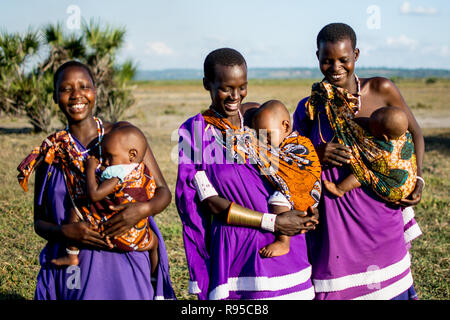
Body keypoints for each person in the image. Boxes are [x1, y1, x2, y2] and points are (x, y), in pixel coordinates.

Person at [17, 60, 175, 300]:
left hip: (127, 257)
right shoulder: (52, 153)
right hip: (76, 265)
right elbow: (40, 223)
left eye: (84, 86)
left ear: (95, 91)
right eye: (66, 89)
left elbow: (163, 192)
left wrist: (141, 210)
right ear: (54, 96)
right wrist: (66, 232)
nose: (76, 95)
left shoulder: (123, 136)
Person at [293, 23, 424, 300]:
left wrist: (418, 179)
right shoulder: (310, 107)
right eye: (327, 60)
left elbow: (414, 133)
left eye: (344, 59)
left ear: (356, 55)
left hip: (381, 217)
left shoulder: (381, 89)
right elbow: (292, 160)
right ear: (316, 57)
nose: (335, 67)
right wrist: (316, 152)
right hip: (336, 225)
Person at [175, 48, 319, 300]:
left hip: (285, 246)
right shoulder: (195, 133)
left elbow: (293, 167)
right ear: (207, 84)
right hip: (238, 250)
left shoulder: (255, 120)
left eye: (242, 86)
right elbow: (209, 202)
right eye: (225, 88)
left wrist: (307, 204)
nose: (235, 96)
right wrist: (273, 222)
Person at [50, 124, 159, 274]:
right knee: (154, 243)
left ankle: (71, 254)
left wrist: (90, 168)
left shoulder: (118, 171)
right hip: (136, 234)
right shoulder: (138, 168)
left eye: (110, 156)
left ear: (132, 154)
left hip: (116, 234)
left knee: (75, 208)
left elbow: (94, 194)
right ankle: (154, 279)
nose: (106, 162)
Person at [251, 100, 321, 258]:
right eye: (259, 137)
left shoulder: (297, 145)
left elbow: (290, 167)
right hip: (311, 200)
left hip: (303, 194)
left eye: (267, 135)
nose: (264, 142)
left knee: (277, 199)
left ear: (286, 126)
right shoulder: (291, 142)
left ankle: (283, 241)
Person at [322, 105, 417, 200]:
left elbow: (360, 135)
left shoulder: (380, 151)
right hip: (410, 183)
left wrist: (350, 123)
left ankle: (339, 189)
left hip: (392, 190)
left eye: (371, 127)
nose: (368, 125)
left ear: (384, 137)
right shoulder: (406, 135)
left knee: (365, 174)